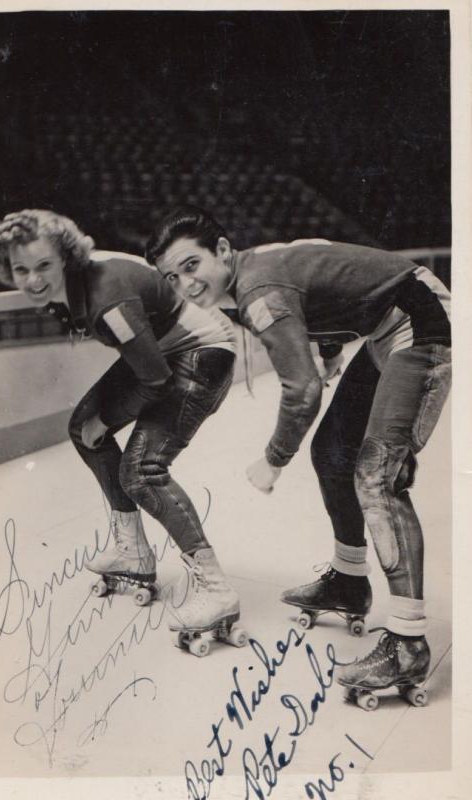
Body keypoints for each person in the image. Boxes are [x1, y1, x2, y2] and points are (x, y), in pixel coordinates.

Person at [146, 205, 451, 698]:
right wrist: (331, 351)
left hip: (420, 321)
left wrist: (273, 459)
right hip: (387, 324)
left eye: (191, 266)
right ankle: (350, 581)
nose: (186, 284)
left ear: (222, 251)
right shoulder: (254, 271)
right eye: (172, 278)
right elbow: (326, 285)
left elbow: (302, 390)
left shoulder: (258, 290)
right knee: (332, 451)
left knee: (376, 476)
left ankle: (408, 642)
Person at [0, 209, 242, 640]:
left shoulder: (108, 301)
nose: (32, 280)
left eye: (44, 266)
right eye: (20, 269)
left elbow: (156, 379)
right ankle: (134, 553)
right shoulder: (74, 284)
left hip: (203, 355)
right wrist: (98, 420)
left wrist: (106, 418)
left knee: (141, 471)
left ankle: (217, 589)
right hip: (166, 350)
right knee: (80, 427)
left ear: (66, 257)